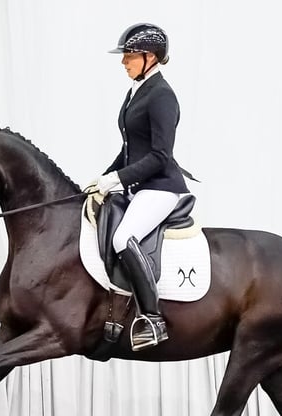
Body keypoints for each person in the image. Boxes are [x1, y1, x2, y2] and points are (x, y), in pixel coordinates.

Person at [87, 23, 192, 351]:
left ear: (151, 57)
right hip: (137, 185)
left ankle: (153, 318)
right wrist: (101, 180)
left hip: (160, 187)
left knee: (122, 238)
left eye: (130, 56)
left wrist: (117, 180)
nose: (124, 62)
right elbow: (129, 149)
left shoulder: (162, 96)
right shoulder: (136, 90)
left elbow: (161, 156)